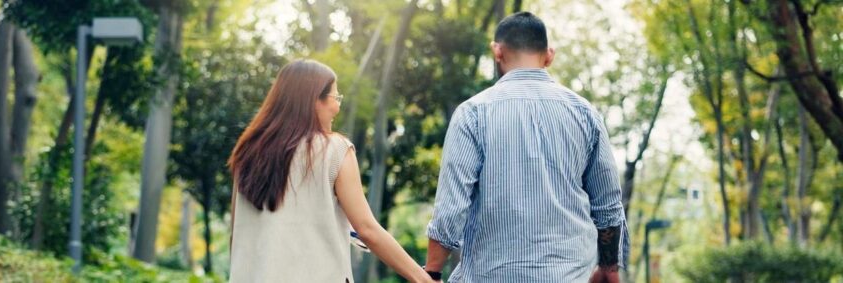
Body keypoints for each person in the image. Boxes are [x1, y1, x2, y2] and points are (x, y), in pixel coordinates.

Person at [423, 12, 629, 282]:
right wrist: (609, 269)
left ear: (497, 51)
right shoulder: (585, 113)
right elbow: (608, 208)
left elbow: (450, 210)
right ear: (549, 55)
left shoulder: (473, 113)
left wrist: (432, 272)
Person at [228, 59, 435, 283]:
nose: (337, 107)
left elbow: (237, 234)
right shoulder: (334, 149)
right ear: (312, 99)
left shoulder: (247, 153)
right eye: (335, 98)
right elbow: (367, 229)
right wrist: (423, 279)